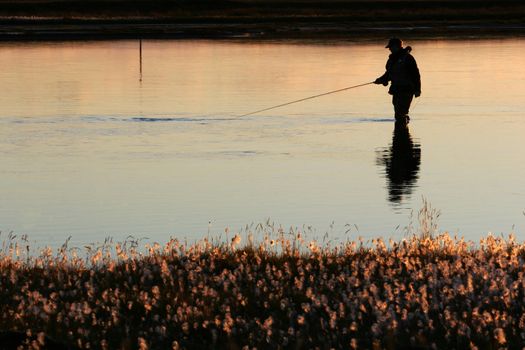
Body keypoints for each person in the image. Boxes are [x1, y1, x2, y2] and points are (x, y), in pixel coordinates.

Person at [374, 38, 421, 123]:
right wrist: (381, 80)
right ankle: (402, 130)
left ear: (396, 47)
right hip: (396, 90)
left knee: (400, 113)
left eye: (390, 47)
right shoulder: (391, 59)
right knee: (398, 114)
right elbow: (388, 74)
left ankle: (403, 133)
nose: (389, 49)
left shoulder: (408, 58)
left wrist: (418, 89)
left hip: (407, 90)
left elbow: (416, 75)